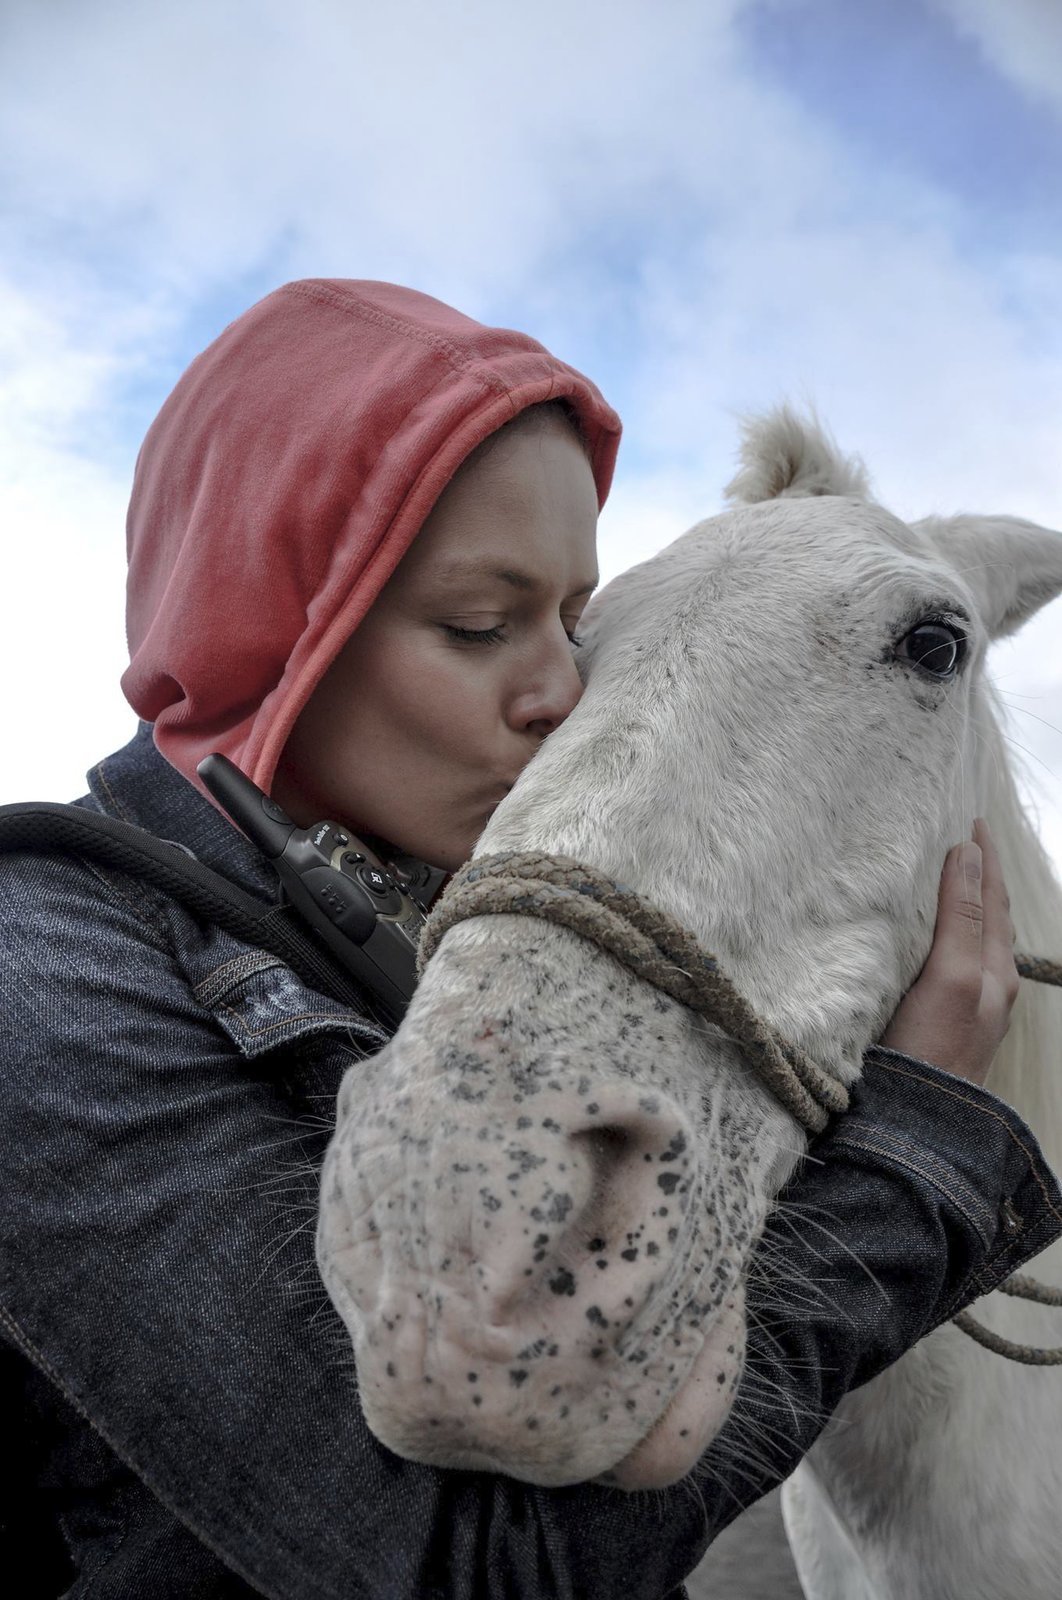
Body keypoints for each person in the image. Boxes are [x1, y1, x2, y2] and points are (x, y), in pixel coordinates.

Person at [0, 278, 1058, 1600]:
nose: (565, 689)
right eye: (480, 627)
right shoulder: (30, 976)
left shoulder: (364, 942)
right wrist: (920, 1143)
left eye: (572, 625)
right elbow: (467, 1573)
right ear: (264, 634)